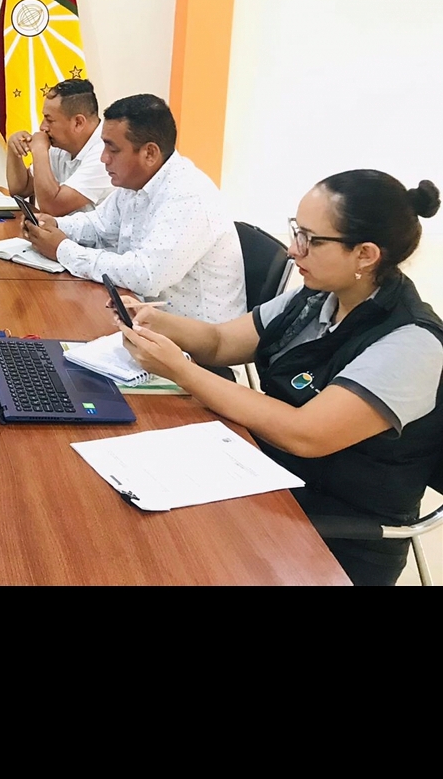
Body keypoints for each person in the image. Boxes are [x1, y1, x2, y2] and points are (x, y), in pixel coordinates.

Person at [120, 172, 443, 588]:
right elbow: (221, 343)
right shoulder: (317, 297)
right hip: (265, 476)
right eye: (296, 231)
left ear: (364, 254)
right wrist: (156, 321)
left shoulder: (411, 344)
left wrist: (181, 370)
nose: (293, 250)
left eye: (311, 240)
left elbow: (305, 434)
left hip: (335, 532)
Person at [30, 93, 246, 321]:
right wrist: (54, 225)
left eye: (113, 150)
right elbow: (98, 225)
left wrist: (62, 249)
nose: (104, 158)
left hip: (191, 338)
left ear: (149, 153)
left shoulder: (188, 195)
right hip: (144, 319)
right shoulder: (136, 182)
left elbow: (145, 275)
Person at [6, 78, 111, 217]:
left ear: (78, 123)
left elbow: (52, 208)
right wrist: (14, 150)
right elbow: (21, 190)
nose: (42, 127)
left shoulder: (106, 152)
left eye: (49, 120)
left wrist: (39, 150)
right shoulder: (62, 144)